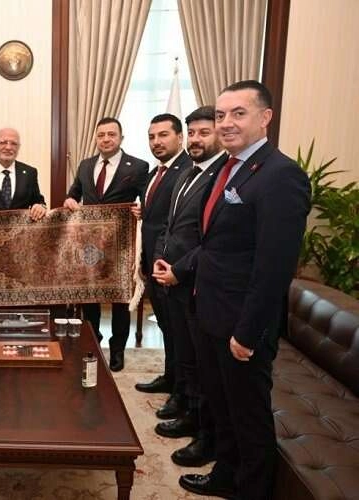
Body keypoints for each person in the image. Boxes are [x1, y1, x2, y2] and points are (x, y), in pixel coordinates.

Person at [176, 81, 310, 499]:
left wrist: (248, 333)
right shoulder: (226, 167)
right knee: (222, 407)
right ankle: (225, 476)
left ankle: (251, 490)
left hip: (242, 325)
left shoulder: (280, 175)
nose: (226, 123)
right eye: (220, 115)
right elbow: (214, 244)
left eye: (238, 113)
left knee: (248, 416)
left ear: (265, 117)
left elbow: (274, 268)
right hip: (210, 312)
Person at [150, 106, 225, 467]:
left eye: (203, 132)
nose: (196, 139)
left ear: (219, 134)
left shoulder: (221, 176)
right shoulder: (185, 175)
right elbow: (169, 225)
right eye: (193, 132)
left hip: (196, 283)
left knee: (199, 360)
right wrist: (159, 258)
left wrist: (178, 270)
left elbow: (212, 239)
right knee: (184, 353)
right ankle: (187, 410)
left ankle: (202, 430)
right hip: (170, 277)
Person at [63, 117, 149, 371]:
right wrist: (70, 199)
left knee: (120, 298)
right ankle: (93, 342)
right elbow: (74, 192)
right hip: (90, 243)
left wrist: (143, 208)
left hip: (121, 244)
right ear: (96, 138)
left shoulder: (139, 166)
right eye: (101, 135)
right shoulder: (86, 165)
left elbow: (147, 199)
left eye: (111, 134)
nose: (106, 139)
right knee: (91, 295)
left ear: (121, 138)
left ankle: (118, 349)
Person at [134, 113, 191, 421]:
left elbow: (184, 228)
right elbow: (155, 218)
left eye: (163, 135)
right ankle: (170, 378)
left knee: (180, 334)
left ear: (180, 138)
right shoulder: (155, 173)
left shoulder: (187, 171)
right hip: (154, 263)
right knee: (168, 328)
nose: (156, 142)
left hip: (173, 267)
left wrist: (171, 266)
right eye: (152, 136)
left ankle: (181, 393)